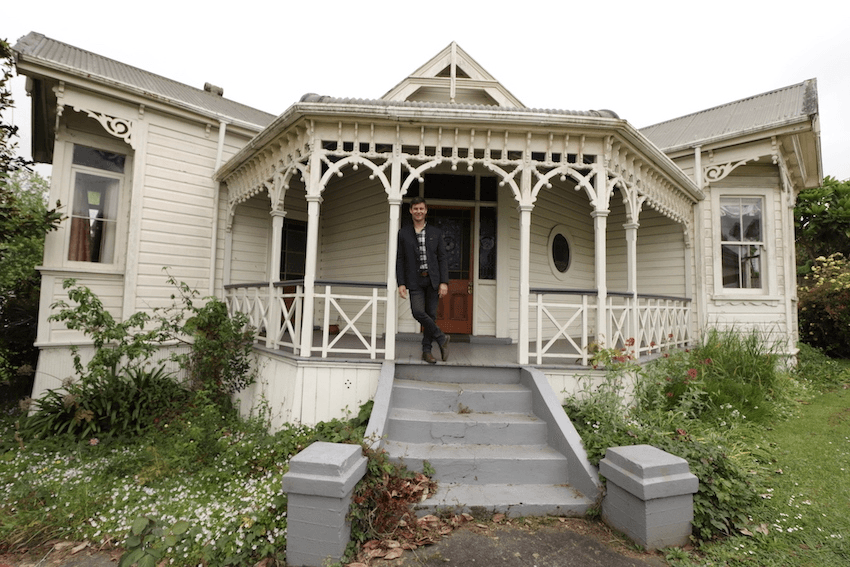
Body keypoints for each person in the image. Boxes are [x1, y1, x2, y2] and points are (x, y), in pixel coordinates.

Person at [396, 197, 451, 364]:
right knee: (418, 312)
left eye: (421, 209)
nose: (418, 211)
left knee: (431, 315)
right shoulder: (403, 233)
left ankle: (426, 351)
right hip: (414, 281)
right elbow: (400, 259)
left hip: (433, 281)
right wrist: (401, 283)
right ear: (411, 211)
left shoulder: (436, 233)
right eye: (415, 209)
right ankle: (441, 337)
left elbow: (442, 258)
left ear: (426, 211)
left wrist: (444, 282)